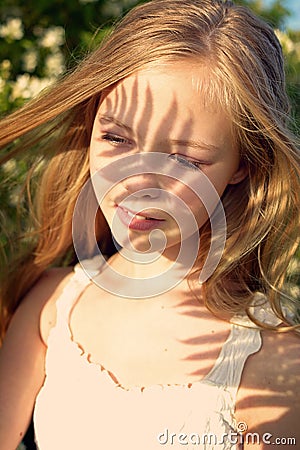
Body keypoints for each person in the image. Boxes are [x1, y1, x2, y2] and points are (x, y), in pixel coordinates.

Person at [0, 0, 299, 449]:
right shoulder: (52, 304)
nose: (136, 181)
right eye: (116, 138)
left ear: (244, 162)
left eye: (184, 158)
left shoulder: (275, 359)